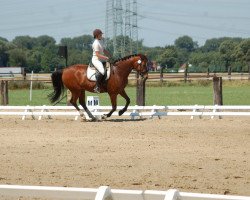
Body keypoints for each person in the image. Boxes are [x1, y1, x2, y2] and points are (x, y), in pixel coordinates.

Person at [92, 29, 111, 93]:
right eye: (100, 34)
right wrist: (106, 57)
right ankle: (96, 87)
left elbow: (104, 50)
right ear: (97, 35)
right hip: (96, 59)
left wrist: (110, 55)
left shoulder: (101, 41)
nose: (101, 35)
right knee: (102, 71)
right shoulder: (96, 43)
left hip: (102, 59)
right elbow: (97, 54)